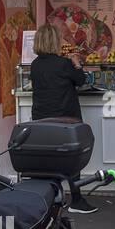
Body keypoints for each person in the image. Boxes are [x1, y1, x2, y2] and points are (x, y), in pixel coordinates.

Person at [29, 23, 96, 214]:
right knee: (72, 160)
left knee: (50, 160)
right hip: (65, 119)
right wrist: (76, 63)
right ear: (54, 41)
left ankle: (52, 199)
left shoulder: (35, 65)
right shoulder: (64, 64)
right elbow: (81, 80)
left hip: (41, 118)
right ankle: (76, 199)